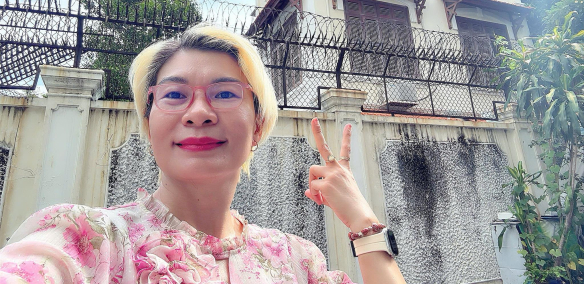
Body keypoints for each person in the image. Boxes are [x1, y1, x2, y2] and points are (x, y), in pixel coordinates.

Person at [0, 24, 406, 284]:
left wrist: (363, 222)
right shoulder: (89, 240)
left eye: (225, 93)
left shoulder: (298, 261)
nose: (198, 113)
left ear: (258, 125)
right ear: (149, 125)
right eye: (174, 95)